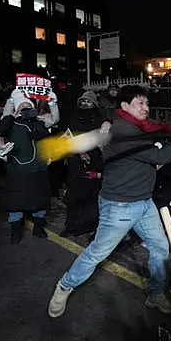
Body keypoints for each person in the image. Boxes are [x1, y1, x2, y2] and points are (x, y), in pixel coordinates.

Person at [48, 85, 171, 318]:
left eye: (147, 103)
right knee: (97, 252)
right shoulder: (124, 132)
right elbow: (160, 156)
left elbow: (159, 133)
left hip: (143, 203)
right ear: (125, 106)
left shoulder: (137, 126)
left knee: (160, 248)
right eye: (140, 103)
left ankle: (155, 293)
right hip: (120, 206)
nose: (146, 108)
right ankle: (65, 286)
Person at [0, 92, 51, 244]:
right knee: (16, 201)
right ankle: (15, 231)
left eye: (28, 106)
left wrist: (36, 120)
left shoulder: (38, 122)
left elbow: (43, 135)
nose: (25, 108)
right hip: (18, 169)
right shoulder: (11, 122)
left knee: (40, 200)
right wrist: (12, 115)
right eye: (22, 106)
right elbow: (0, 130)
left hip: (38, 168)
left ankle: (38, 227)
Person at [60, 91, 111, 237]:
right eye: (82, 102)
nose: (85, 105)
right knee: (74, 194)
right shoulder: (74, 117)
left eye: (88, 102)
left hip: (93, 161)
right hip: (75, 161)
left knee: (91, 195)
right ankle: (72, 226)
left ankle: (90, 225)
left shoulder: (100, 120)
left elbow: (104, 140)